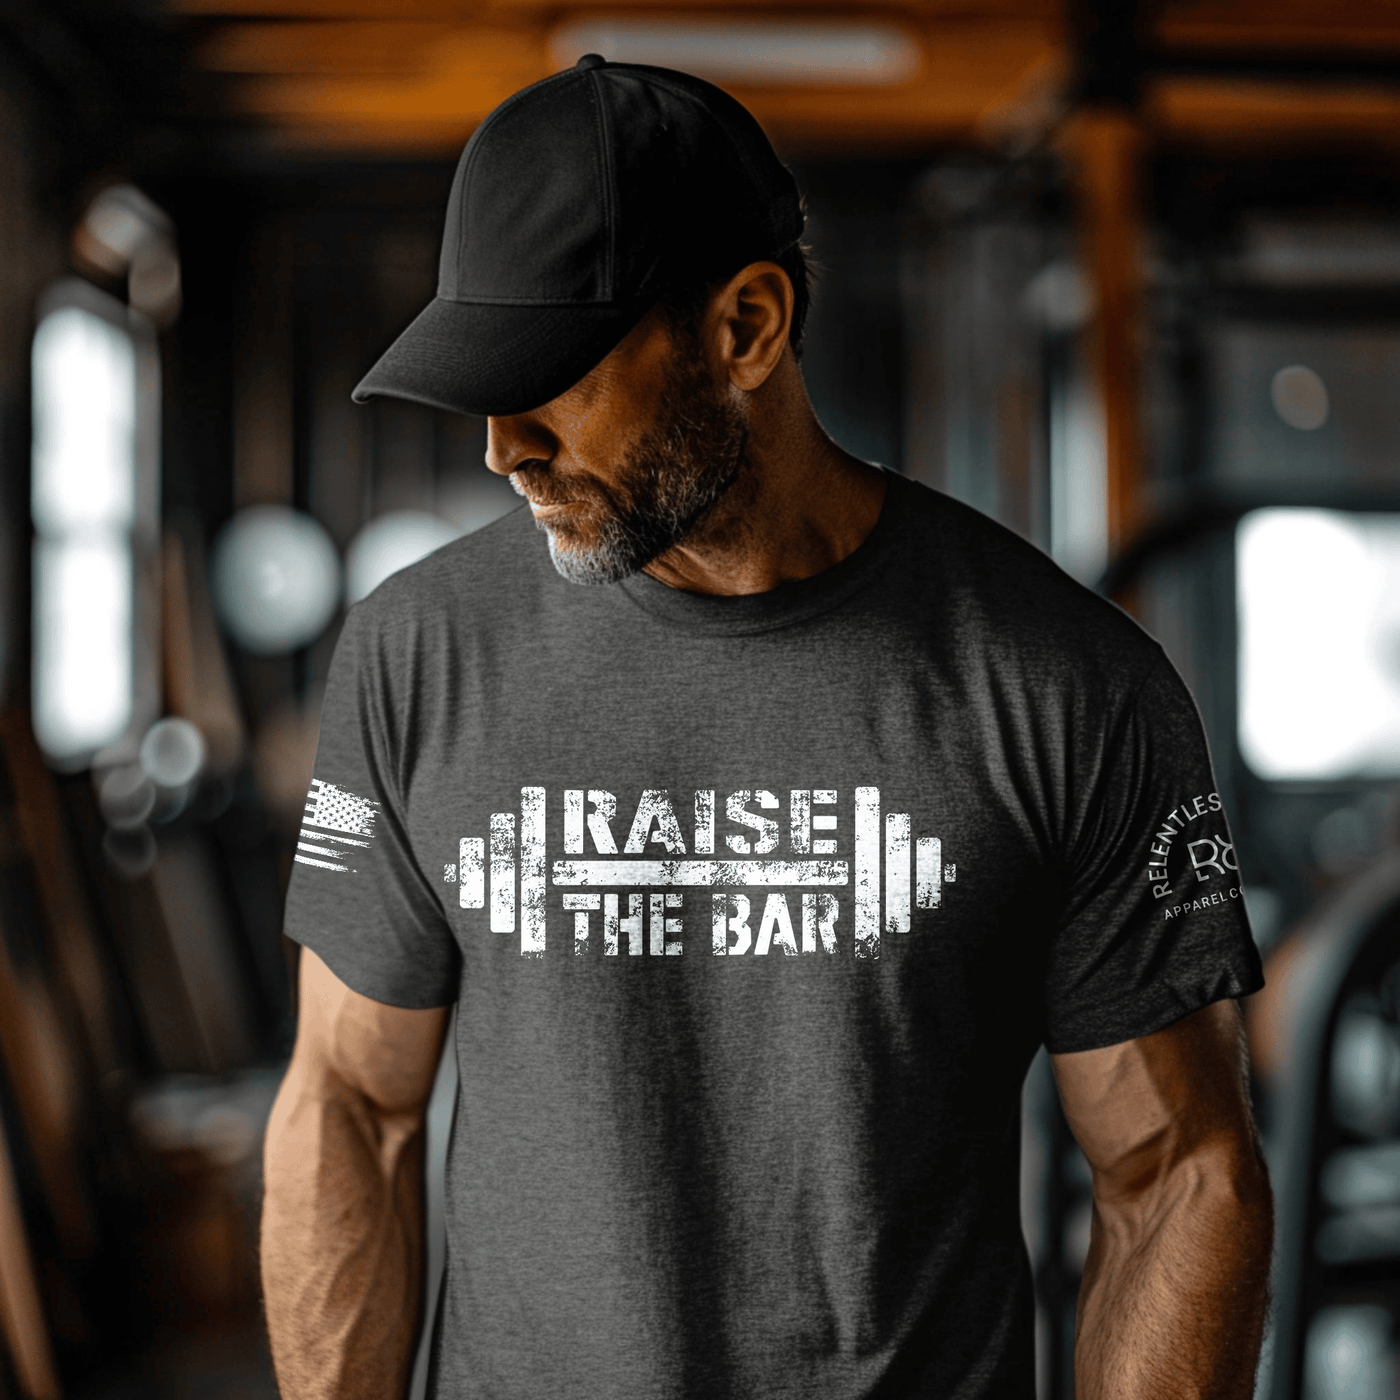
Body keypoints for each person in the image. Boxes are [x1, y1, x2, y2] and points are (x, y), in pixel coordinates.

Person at [260, 55, 1273, 1400]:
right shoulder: (418, 657)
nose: (502, 446)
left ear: (745, 328)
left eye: (549, 376)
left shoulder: (1065, 684)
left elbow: (1178, 1176)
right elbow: (349, 1107)